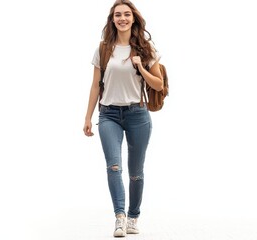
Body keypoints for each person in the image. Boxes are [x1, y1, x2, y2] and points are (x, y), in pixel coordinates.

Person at [83, 0, 164, 237]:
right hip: (108, 115)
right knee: (113, 166)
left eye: (127, 14)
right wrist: (88, 117)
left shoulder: (145, 49)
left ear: (134, 18)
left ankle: (133, 217)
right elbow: (95, 87)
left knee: (136, 171)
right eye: (118, 15)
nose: (122, 18)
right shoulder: (103, 49)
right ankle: (119, 216)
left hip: (138, 114)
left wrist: (142, 67)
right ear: (112, 20)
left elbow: (158, 84)